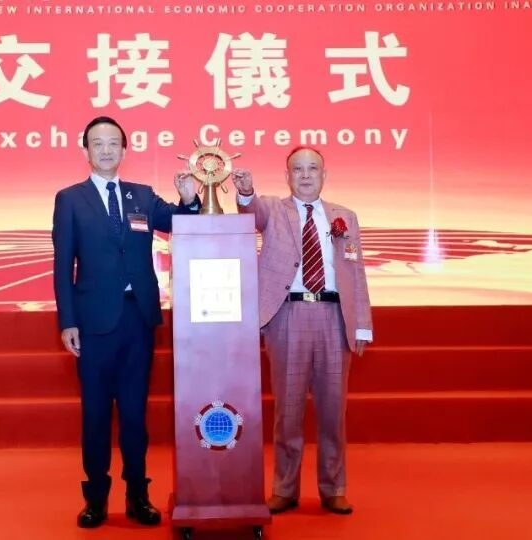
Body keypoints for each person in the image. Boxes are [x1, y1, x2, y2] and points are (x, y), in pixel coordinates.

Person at [52, 116, 201, 529]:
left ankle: (138, 495)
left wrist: (189, 199)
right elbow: (63, 267)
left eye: (113, 143)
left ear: (124, 149)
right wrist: (68, 321)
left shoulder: (142, 195)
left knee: (135, 413)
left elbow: (178, 221)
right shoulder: (70, 199)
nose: (106, 150)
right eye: (98, 143)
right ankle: (96, 499)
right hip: (93, 324)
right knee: (96, 414)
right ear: (86, 149)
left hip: (138, 320)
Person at [232, 146, 373, 515]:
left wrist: (361, 324)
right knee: (288, 410)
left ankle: (334, 488)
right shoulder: (273, 210)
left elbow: (356, 272)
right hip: (287, 316)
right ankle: (285, 488)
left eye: (313, 169)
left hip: (334, 317)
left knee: (333, 411)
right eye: (298, 169)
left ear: (324, 176)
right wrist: (245, 191)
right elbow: (250, 210)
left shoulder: (344, 217)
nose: (306, 175)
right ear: (287, 176)